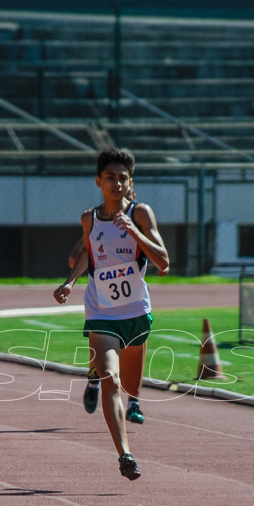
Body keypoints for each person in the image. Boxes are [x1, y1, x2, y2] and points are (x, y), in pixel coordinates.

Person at [54, 148, 169, 480]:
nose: (116, 183)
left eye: (122, 178)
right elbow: (87, 256)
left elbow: (163, 263)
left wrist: (134, 231)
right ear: (98, 182)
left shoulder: (141, 213)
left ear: (130, 182)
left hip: (135, 313)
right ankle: (125, 454)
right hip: (101, 312)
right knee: (111, 380)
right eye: (110, 178)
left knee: (131, 388)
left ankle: (96, 378)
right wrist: (69, 283)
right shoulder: (88, 219)